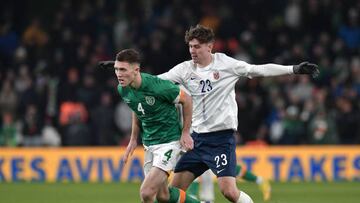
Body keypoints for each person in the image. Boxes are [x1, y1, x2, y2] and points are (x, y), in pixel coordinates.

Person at [156, 24, 319, 203]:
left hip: (220, 140)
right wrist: (135, 79)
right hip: (196, 140)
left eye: (197, 46)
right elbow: (157, 81)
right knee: (172, 193)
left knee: (229, 192)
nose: (192, 51)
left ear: (209, 46)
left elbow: (257, 70)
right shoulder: (185, 69)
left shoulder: (226, 65)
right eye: (190, 46)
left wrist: (293, 69)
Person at [103, 49, 199, 203]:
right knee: (163, 196)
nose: (118, 74)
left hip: (169, 142)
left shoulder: (157, 86)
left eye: (122, 70)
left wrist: (186, 132)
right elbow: (137, 107)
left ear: (136, 70)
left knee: (147, 192)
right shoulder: (123, 88)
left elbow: (186, 99)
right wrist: (133, 139)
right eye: (116, 69)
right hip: (149, 144)